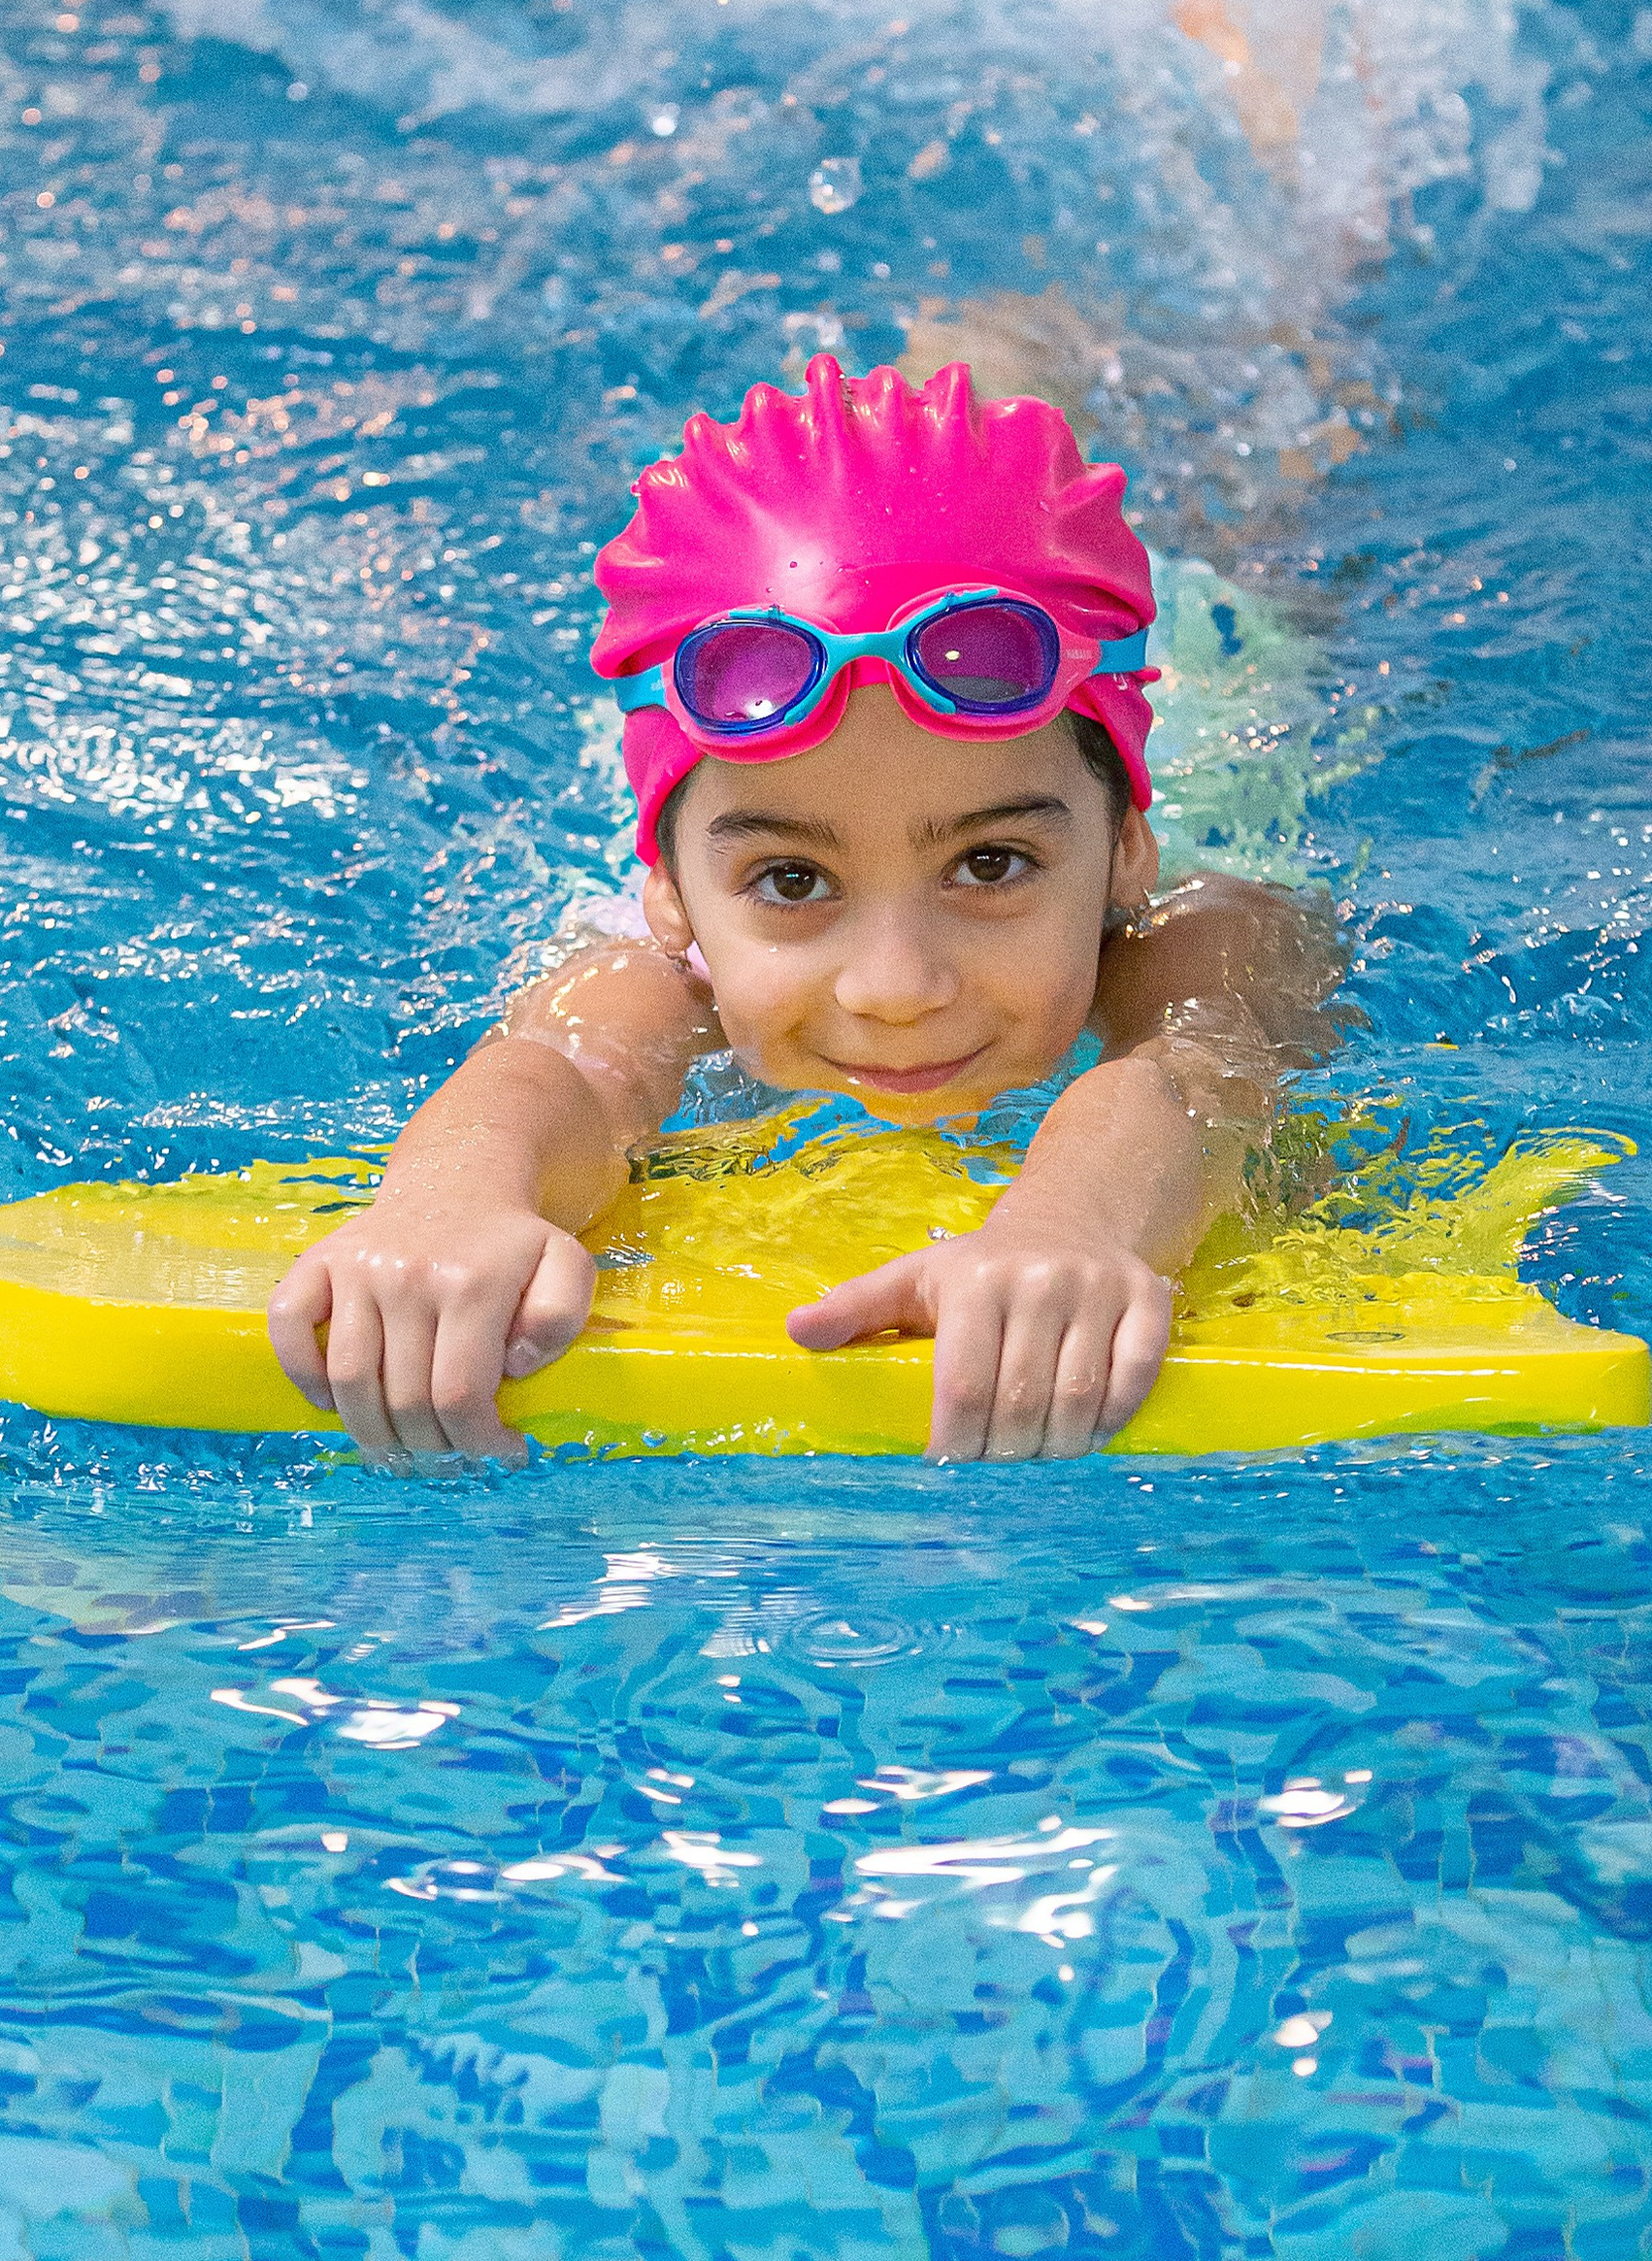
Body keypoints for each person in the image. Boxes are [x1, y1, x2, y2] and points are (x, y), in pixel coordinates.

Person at [267, 355, 1338, 1462]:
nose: (897, 988)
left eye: (992, 865)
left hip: (1220, 664)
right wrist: (449, 1202)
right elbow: (566, 1063)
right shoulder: (651, 960)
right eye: (792, 883)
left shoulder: (1203, 923)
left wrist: (1071, 1222)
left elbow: (1198, 1064)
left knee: (1278, 479)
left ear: (1123, 852)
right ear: (672, 899)